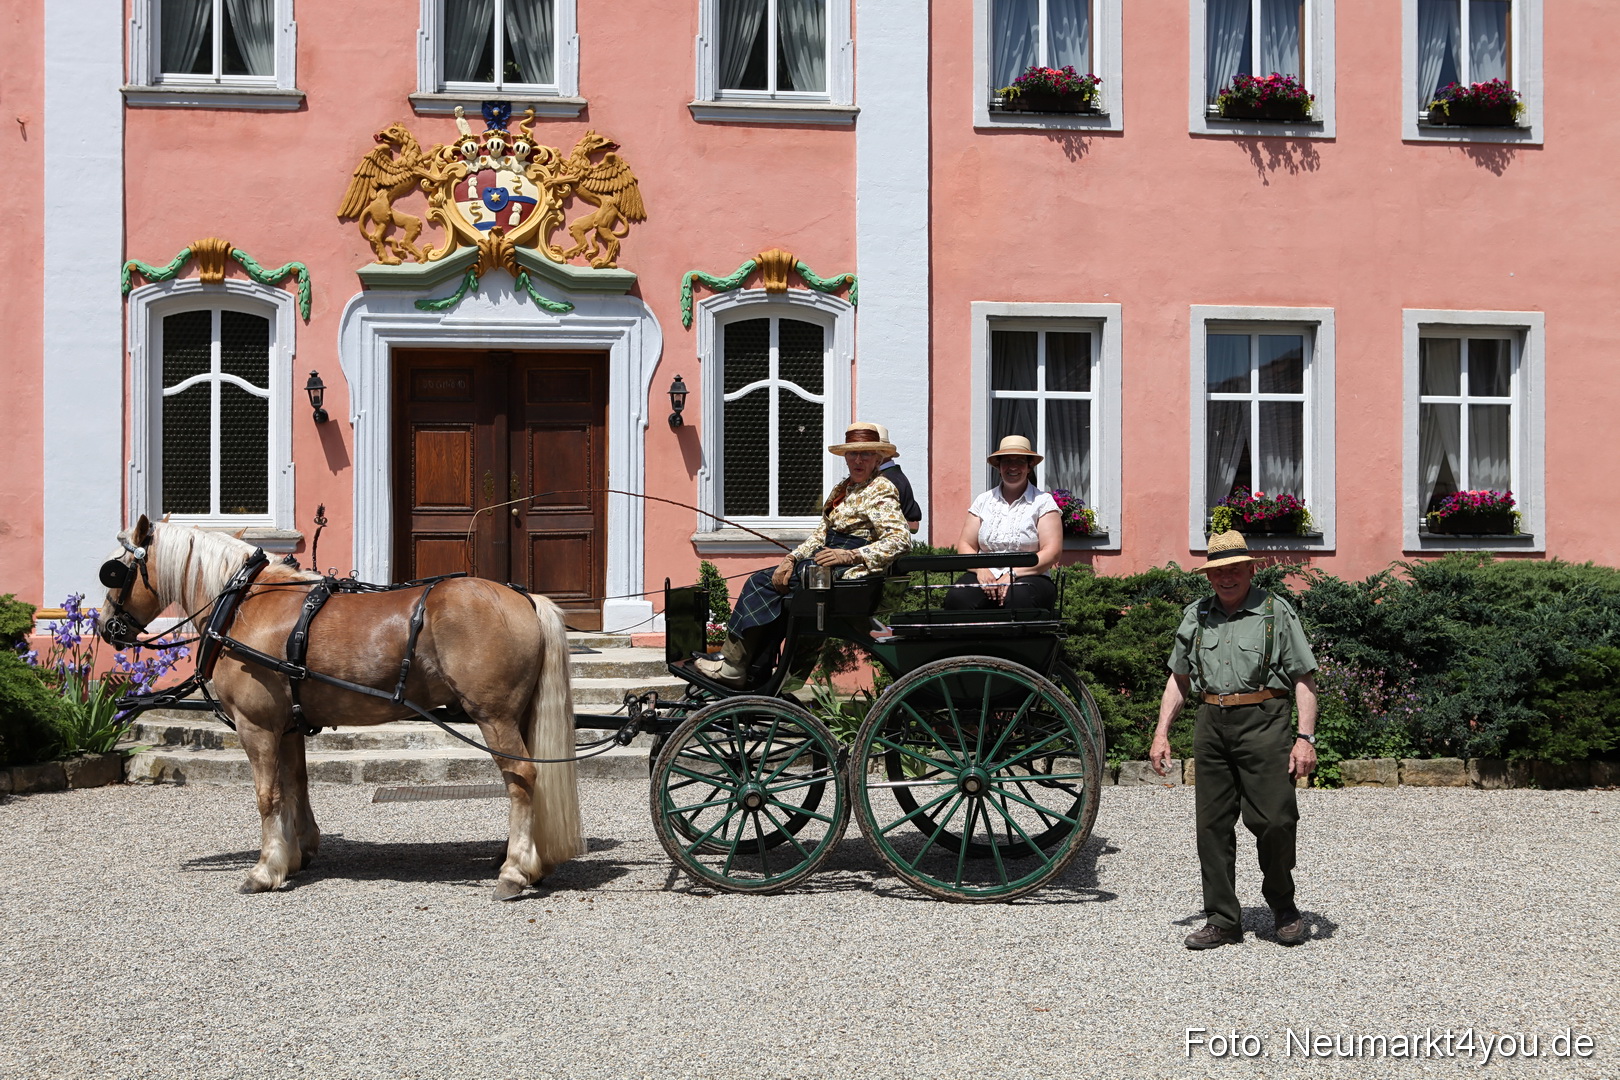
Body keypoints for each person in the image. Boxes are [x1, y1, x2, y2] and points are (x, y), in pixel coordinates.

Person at [1149, 530, 1319, 950]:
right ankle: (1223, 918)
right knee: (1211, 826)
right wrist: (1161, 733)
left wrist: (1305, 738)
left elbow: (1304, 677)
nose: (1226, 578)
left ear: (1250, 569)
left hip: (1265, 720)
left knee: (1276, 820)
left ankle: (1282, 904)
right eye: (1218, 572)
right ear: (1210, 576)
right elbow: (1179, 677)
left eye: (1234, 570)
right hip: (1211, 721)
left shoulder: (1275, 612)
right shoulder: (1198, 615)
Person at [695, 422, 911, 689]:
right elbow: (821, 535)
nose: (858, 459)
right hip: (822, 562)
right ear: (845, 457)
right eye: (852, 454)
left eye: (865, 454)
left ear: (878, 459)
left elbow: (900, 540)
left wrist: (851, 555)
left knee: (758, 583)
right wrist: (792, 558)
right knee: (775, 586)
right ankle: (763, 673)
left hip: (846, 571)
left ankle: (732, 665)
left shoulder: (881, 489)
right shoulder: (843, 489)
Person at [942, 435, 1062, 612]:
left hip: (1030, 574)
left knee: (1018, 598)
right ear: (998, 467)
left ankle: (1015, 640)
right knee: (958, 597)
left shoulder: (1043, 502)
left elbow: (1051, 552)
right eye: (1006, 461)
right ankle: (970, 640)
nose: (1013, 466)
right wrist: (981, 569)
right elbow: (966, 544)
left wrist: (1012, 574)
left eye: (1020, 461)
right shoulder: (983, 501)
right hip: (985, 574)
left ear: (1029, 467)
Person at [871, 423, 922, 533]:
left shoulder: (888, 480)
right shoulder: (893, 476)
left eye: (865, 453)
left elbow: (913, 524)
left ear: (879, 454)